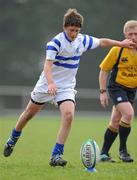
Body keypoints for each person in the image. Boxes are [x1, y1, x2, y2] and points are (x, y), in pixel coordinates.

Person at [3, 9, 135, 167]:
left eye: (77, 30)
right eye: (71, 30)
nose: (74, 33)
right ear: (64, 27)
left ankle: (56, 155)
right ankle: (12, 139)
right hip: (46, 84)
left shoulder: (82, 40)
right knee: (28, 115)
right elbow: (47, 66)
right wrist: (51, 83)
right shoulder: (55, 43)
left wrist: (120, 43)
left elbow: (102, 41)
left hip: (66, 87)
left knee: (68, 115)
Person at [99, 20, 137, 163]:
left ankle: (103, 154)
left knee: (115, 121)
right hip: (116, 87)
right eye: (130, 34)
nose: (133, 37)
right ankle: (123, 151)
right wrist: (102, 92)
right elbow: (104, 70)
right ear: (125, 34)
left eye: (136, 34)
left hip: (131, 90)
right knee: (128, 114)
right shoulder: (117, 49)